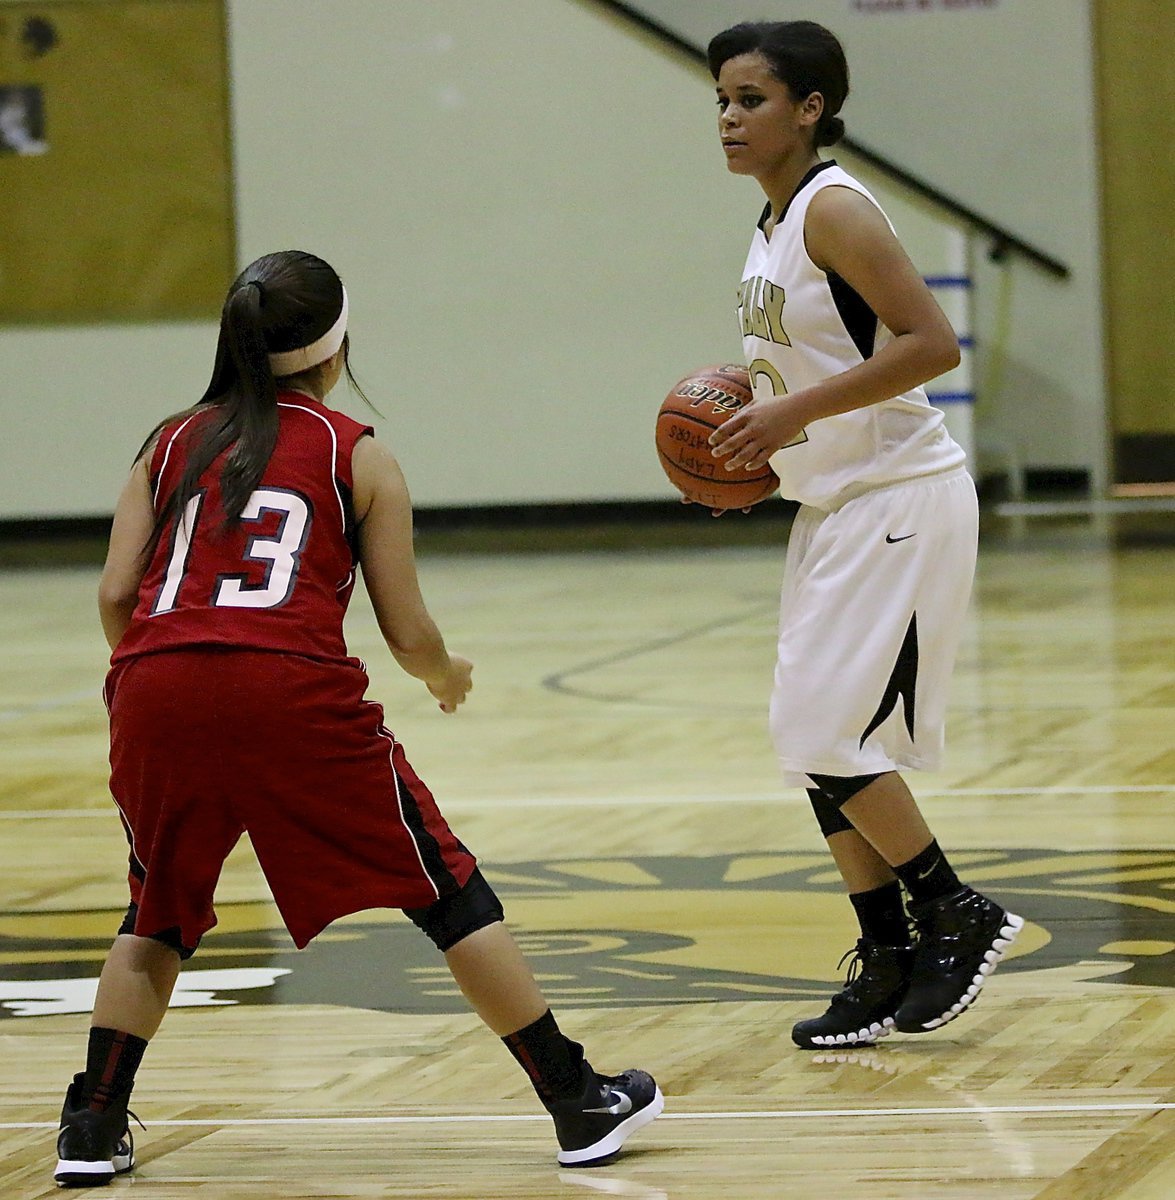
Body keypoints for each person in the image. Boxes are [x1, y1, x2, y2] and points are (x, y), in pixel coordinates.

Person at [52, 250, 661, 1187]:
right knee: (446, 890)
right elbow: (408, 633)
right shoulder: (355, 452)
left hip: (152, 682)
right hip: (288, 689)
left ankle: (91, 1127)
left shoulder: (167, 443)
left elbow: (117, 592)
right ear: (335, 351)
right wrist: (446, 675)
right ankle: (576, 1098)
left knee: (156, 910)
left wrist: (164, 684)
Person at [703, 21, 1023, 1050]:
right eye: (719, 99)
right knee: (811, 747)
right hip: (833, 502)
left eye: (750, 99)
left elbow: (929, 344)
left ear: (809, 108)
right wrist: (762, 447)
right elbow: (807, 371)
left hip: (899, 500)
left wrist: (792, 420)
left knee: (820, 736)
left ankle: (955, 911)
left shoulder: (833, 209)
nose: (726, 117)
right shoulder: (769, 223)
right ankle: (883, 951)